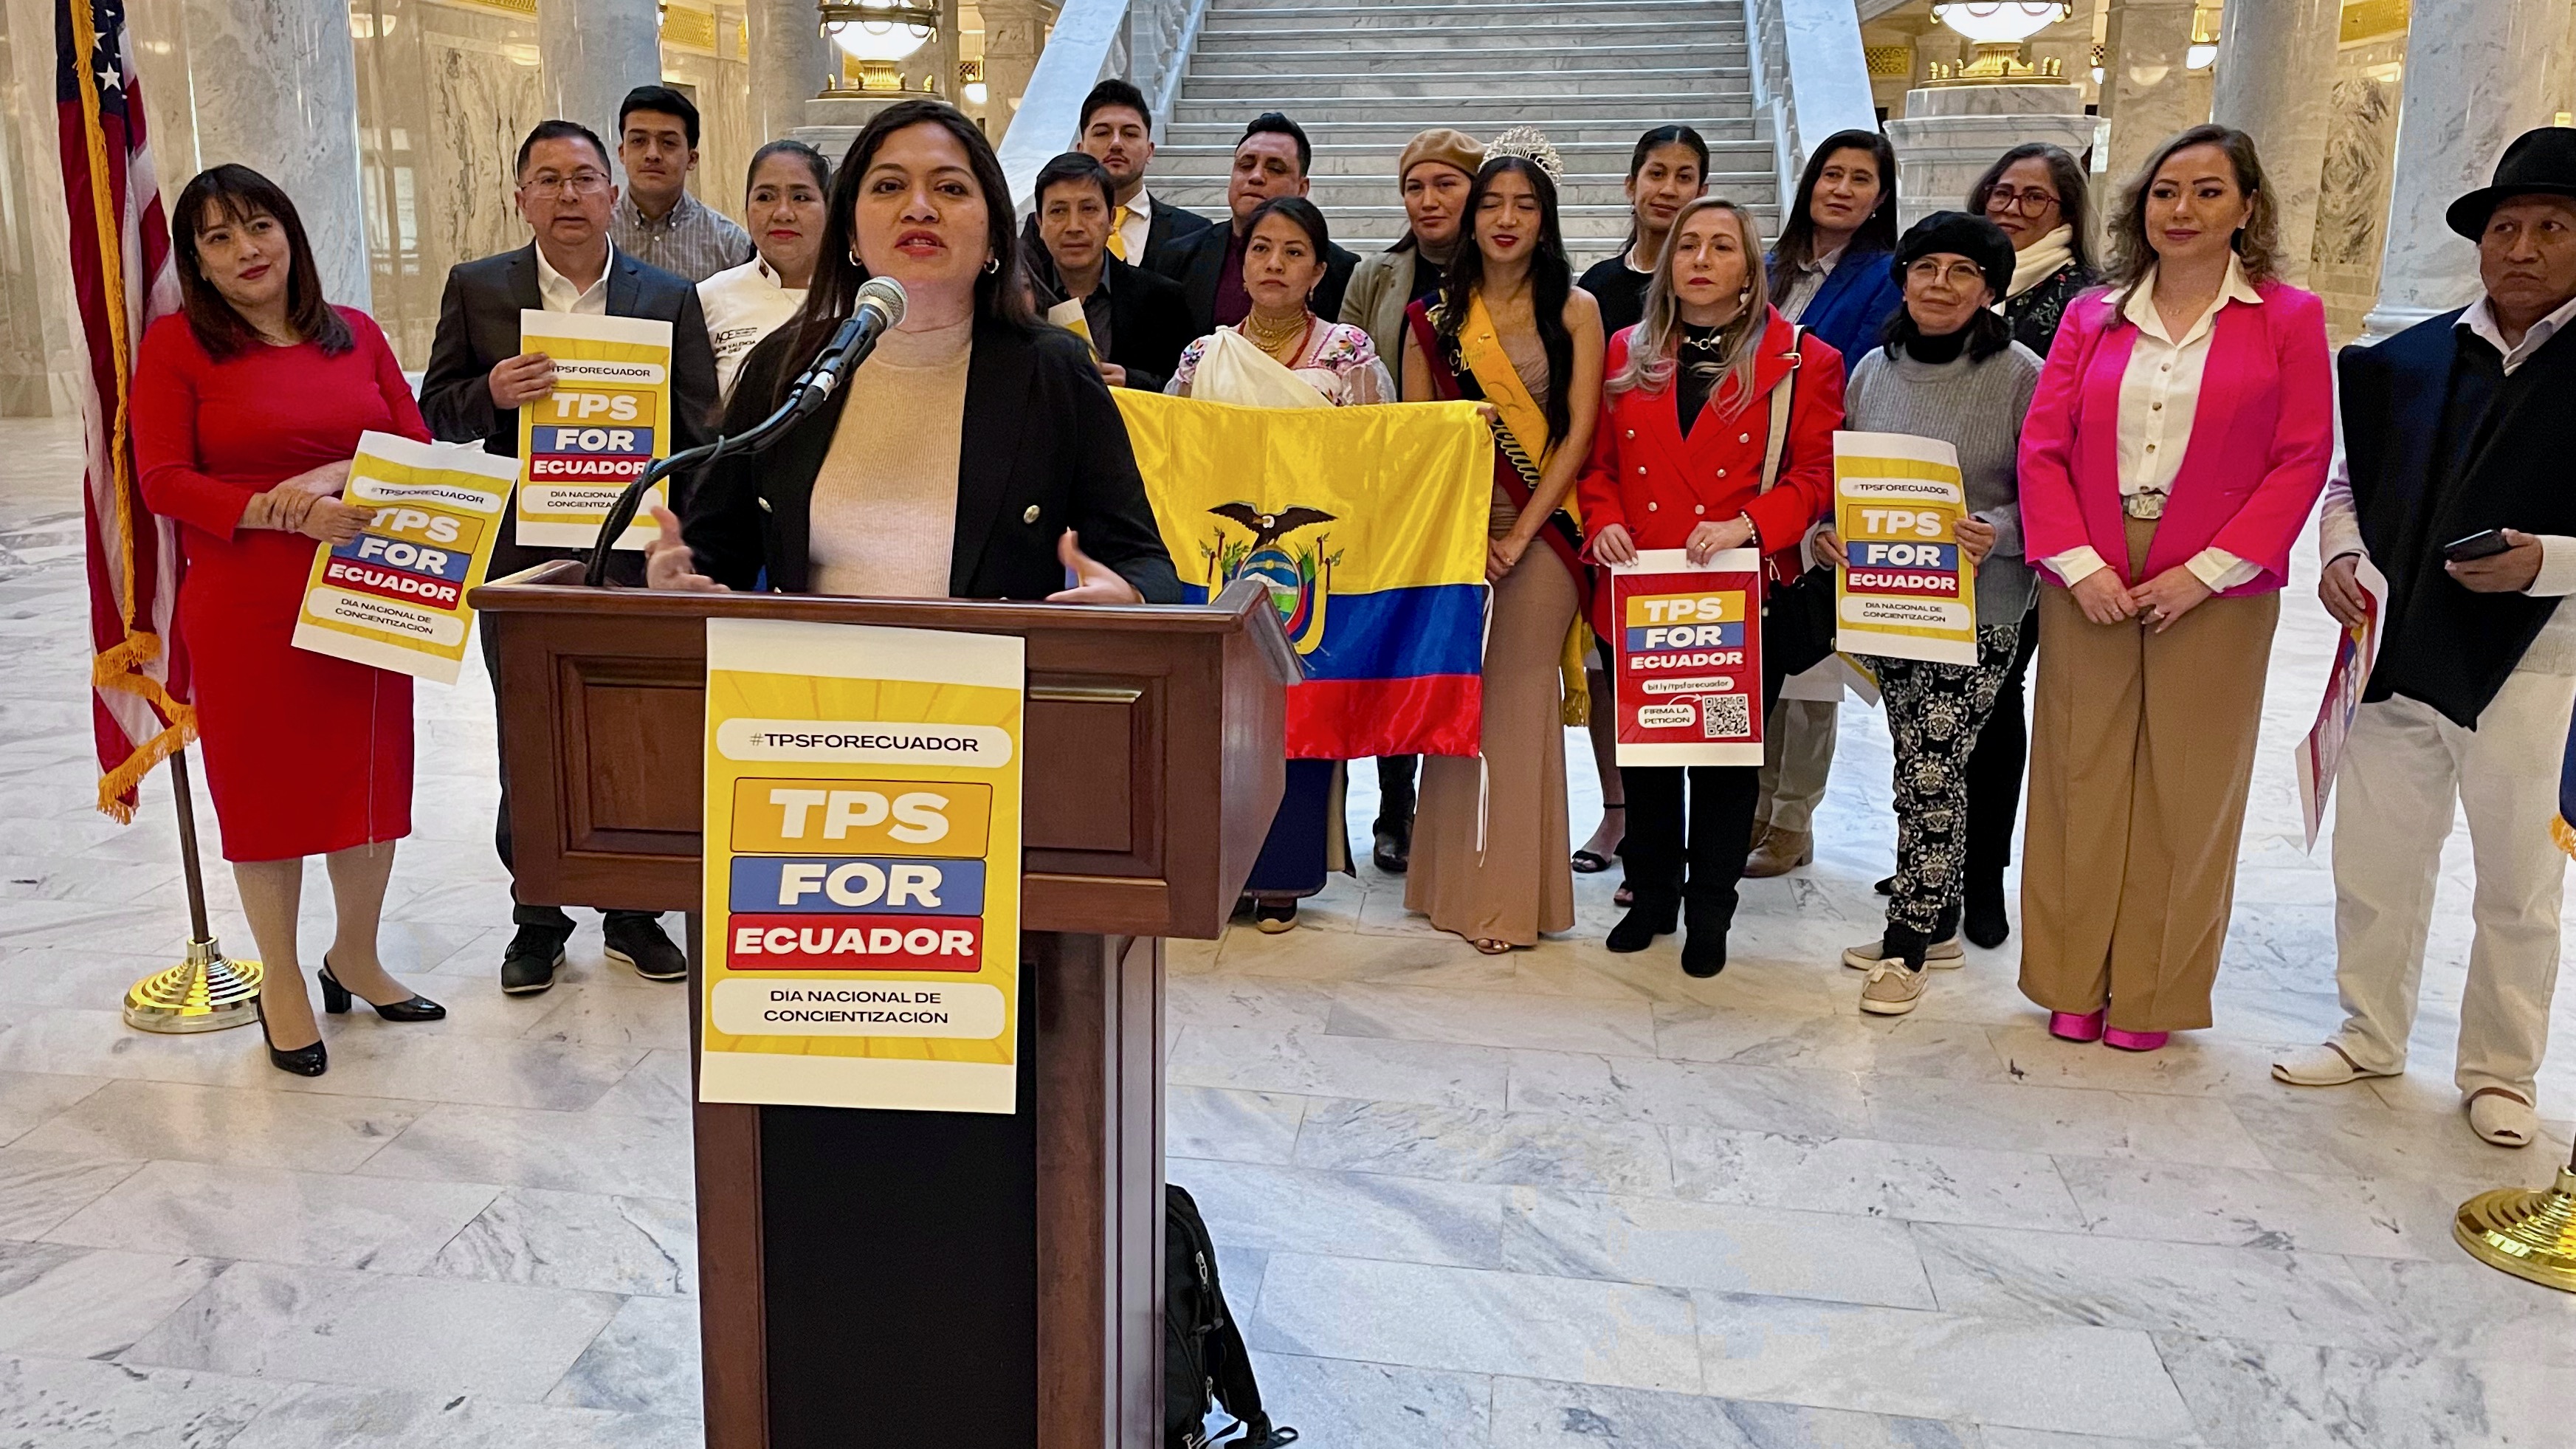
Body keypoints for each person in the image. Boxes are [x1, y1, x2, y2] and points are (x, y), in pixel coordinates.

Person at [2272, 127, 2576, 1148]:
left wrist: (2548, 560)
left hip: (2537, 663)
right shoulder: (2402, 359)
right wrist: (2339, 556)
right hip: (2393, 646)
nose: (2521, 247)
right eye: (2504, 227)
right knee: (2377, 857)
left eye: (2550, 227)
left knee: (2517, 881)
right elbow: (2348, 483)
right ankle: (2368, 1030)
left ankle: (2498, 1067)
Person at [2017, 124, 2332, 1053]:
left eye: (2204, 191)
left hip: (2218, 578)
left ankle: (2152, 992)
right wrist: (2079, 566)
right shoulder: (2093, 315)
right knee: (2078, 774)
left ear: (2245, 207)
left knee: (2184, 786)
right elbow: (2042, 447)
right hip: (2091, 570)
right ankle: (2069, 978)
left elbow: (2300, 456)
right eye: (2164, 191)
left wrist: (2204, 573)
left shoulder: (2286, 317)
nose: (2180, 209)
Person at [133, 165, 447, 1077]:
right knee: (268, 795)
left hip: (371, 588)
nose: (246, 252)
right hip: (247, 601)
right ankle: (281, 978)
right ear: (196, 260)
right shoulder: (178, 347)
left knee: (370, 783)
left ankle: (357, 953)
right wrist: (283, 508)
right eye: (219, 239)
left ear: (290, 233)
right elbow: (161, 480)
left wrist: (331, 482)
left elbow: (411, 449)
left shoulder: (357, 333)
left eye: (258, 227)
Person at [652, 99, 1179, 613]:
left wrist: (1128, 598)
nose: (919, 207)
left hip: (989, 688)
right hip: (809, 690)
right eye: (889, 186)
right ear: (852, 233)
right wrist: (682, 577)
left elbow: (1144, 562)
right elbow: (717, 555)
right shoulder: (787, 365)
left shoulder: (1053, 372)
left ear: (995, 234)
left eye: (950, 188)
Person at [419, 118, 720, 996]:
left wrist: (682, 535)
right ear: (520, 198)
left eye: (584, 178)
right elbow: (436, 410)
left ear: (612, 193)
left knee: (632, 734)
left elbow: (699, 429)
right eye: (546, 180)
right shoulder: (479, 289)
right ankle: (537, 916)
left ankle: (633, 911)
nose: (567, 195)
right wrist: (490, 392)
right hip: (521, 558)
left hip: (629, 557)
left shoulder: (666, 297)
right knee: (530, 735)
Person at [1577, 197, 1845, 976]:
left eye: (1720, 245)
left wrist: (1751, 526)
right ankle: (1652, 894)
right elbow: (1597, 467)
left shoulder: (1802, 359)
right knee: (1649, 758)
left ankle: (1710, 912)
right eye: (1687, 244)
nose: (1699, 257)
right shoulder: (1627, 350)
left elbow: (1816, 474)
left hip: (1735, 593)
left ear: (1749, 267)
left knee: (1726, 765)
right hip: (1640, 588)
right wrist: (1601, 520)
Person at [1812, 213, 2041, 1013]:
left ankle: (1907, 944)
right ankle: (1935, 918)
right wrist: (1827, 535)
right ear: (1902, 277)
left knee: (1935, 768)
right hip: (1889, 603)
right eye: (1925, 267)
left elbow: (2050, 490)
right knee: (1914, 763)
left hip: (1980, 606)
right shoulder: (1872, 370)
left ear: (1990, 290)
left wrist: (2000, 529)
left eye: (1962, 272)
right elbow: (1844, 477)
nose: (1939, 286)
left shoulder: (2021, 374)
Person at [1165, 196, 1393, 930]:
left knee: (1299, 708)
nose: (1274, 263)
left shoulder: (1347, 353)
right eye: (1261, 248)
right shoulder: (1203, 355)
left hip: (1312, 565)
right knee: (1220, 714)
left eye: (1293, 252)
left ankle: (1282, 875)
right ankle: (1217, 870)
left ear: (1318, 270)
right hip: (1219, 561)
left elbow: (1375, 451)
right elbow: (1171, 450)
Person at [1400, 145, 1605, 954]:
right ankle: (1446, 884)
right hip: (1457, 532)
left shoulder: (1576, 309)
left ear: (1544, 218)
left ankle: (1511, 902)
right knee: (1457, 699)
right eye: (1492, 203)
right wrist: (1466, 533)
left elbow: (1581, 430)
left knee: (1518, 706)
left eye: (1524, 204)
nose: (1507, 219)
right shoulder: (1435, 318)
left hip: (1543, 528)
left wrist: (1519, 535)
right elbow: (1421, 437)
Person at [1918, 142, 2101, 948]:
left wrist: (2013, 531)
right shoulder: (1921, 306)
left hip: (2006, 556)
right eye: (2003, 191)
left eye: (2036, 197)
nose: (2014, 207)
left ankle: (1982, 871)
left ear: (2065, 212)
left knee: (1992, 715)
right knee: (1923, 717)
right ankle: (1932, 861)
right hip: (1914, 562)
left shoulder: (2081, 303)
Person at [1748, 127, 1903, 879]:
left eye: (1860, 179)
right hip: (1752, 491)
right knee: (1755, 657)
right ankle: (1749, 799)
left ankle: (1790, 816)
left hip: (1829, 486)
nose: (1841, 189)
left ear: (1880, 196)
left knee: (1811, 665)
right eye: (1830, 175)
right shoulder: (1770, 266)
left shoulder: (1884, 274)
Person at [1337, 125, 1484, 875]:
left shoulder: (1505, 269)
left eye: (1445, 184)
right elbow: (1347, 370)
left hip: (1487, 489)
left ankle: (1462, 814)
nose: (1427, 201)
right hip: (1391, 487)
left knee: (1457, 651)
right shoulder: (1376, 274)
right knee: (1400, 643)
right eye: (1414, 187)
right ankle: (1396, 806)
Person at [1572, 124, 1709, 894]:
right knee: (1610, 676)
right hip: (1618, 518)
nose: (1667, 188)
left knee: (1694, 674)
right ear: (1631, 185)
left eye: (1684, 175)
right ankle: (1619, 812)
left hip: (1704, 534)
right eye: (1655, 172)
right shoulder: (1598, 287)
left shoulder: (1723, 285)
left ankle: (1675, 837)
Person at [1153, 112, 1359, 338]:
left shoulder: (1342, 270)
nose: (1256, 176)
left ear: (1302, 188)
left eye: (1276, 168)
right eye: (1246, 165)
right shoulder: (1179, 256)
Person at [1022, 151, 1196, 393]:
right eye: (1058, 211)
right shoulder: (1019, 301)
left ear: (1111, 218)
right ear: (1040, 223)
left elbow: (1187, 389)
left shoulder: (1162, 299)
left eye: (1089, 209)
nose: (1074, 227)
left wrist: (1132, 381)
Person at [699, 139, 830, 402]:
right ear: (746, 209)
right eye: (765, 197)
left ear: (829, 208)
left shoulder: (860, 300)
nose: (783, 213)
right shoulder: (708, 297)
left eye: (800, 197)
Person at [609, 84, 751, 283]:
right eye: (639, 141)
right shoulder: (597, 231)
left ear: (692, 159)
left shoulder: (729, 244)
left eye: (668, 143)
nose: (652, 154)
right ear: (622, 153)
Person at [1075, 78, 1213, 272]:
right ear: (1080, 151)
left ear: (1150, 151)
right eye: (1102, 133)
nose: (1116, 144)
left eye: (1130, 134)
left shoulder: (1194, 232)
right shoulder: (1046, 229)